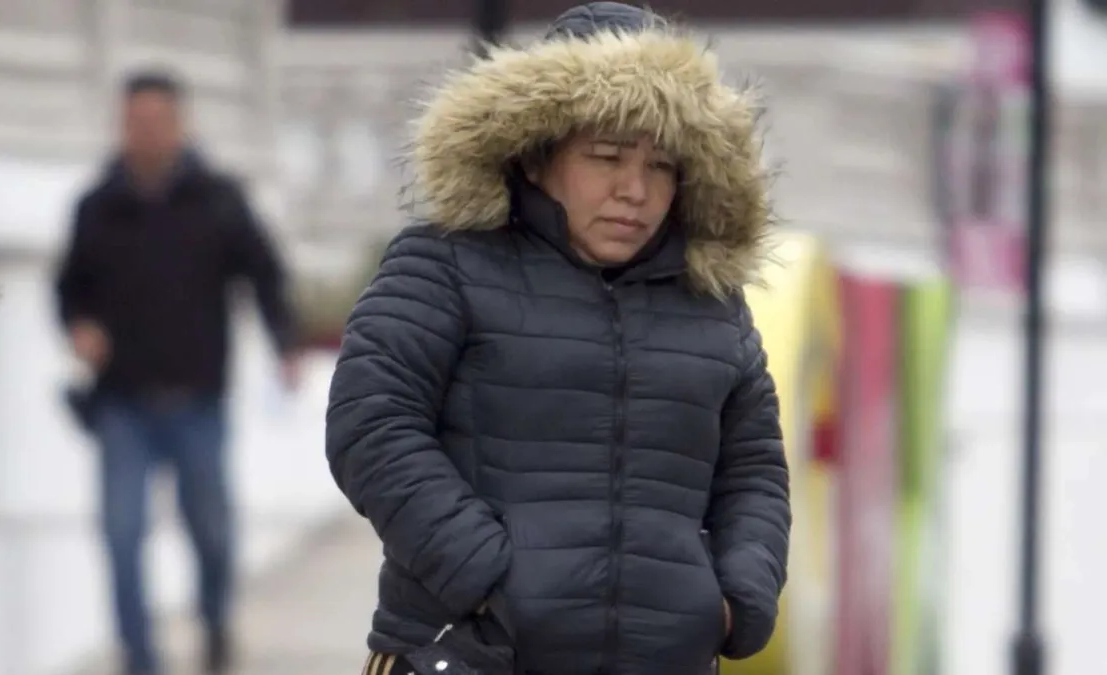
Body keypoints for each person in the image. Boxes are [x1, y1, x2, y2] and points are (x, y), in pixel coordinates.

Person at [326, 3, 791, 674]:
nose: (635, 190)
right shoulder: (446, 263)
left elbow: (754, 470)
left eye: (661, 166)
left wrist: (732, 600)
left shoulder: (710, 302)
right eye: (606, 157)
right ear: (538, 156)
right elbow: (371, 426)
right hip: (469, 654)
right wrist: (492, 578)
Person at [54, 70, 301, 675]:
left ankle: (215, 623)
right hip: (122, 405)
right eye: (135, 122)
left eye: (158, 121)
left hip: (199, 401)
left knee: (212, 535)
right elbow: (70, 287)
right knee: (121, 537)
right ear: (122, 125)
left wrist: (284, 343)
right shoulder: (96, 205)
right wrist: (79, 326)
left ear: (180, 125)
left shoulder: (219, 197)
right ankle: (140, 659)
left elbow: (263, 273)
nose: (146, 132)